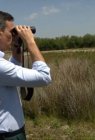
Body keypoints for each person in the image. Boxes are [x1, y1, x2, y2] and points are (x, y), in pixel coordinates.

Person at [0, 11, 52, 140]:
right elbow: (44, 77)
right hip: (7, 135)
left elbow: (13, 70)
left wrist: (17, 45)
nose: (13, 36)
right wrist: (30, 42)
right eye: (11, 32)